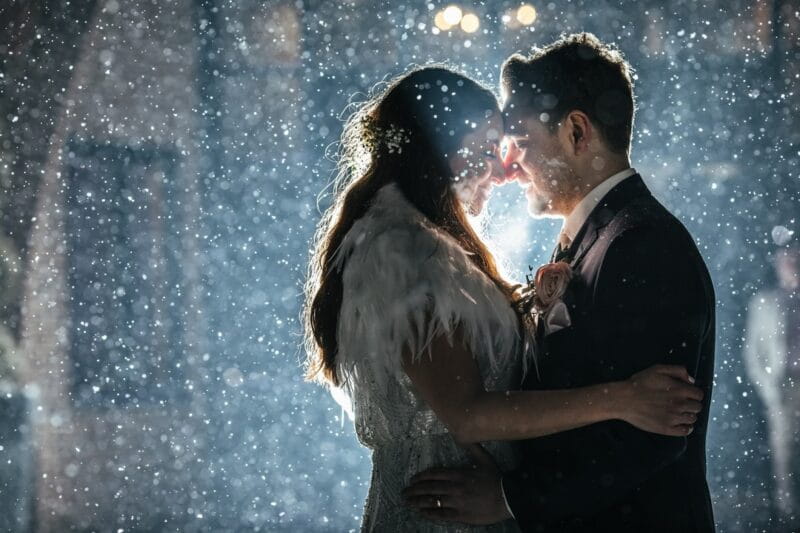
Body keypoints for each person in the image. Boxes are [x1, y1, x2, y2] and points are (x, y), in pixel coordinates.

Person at [303, 65, 704, 532]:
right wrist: (623, 398)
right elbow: (468, 414)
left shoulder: (428, 243)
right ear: (440, 148)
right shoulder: (403, 249)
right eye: (489, 147)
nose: (504, 168)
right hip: (444, 510)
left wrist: (534, 304)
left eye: (513, 145)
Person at [403, 34, 717, 532]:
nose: (509, 167)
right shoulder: (600, 236)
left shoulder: (641, 243)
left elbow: (654, 433)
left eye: (521, 143)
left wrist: (509, 499)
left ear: (576, 132)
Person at [744, 244, 800, 524]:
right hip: (783, 383)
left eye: (796, 259)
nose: (792, 264)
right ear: (778, 264)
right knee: (784, 450)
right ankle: (788, 510)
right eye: (787, 260)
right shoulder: (764, 302)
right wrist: (769, 389)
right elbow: (754, 353)